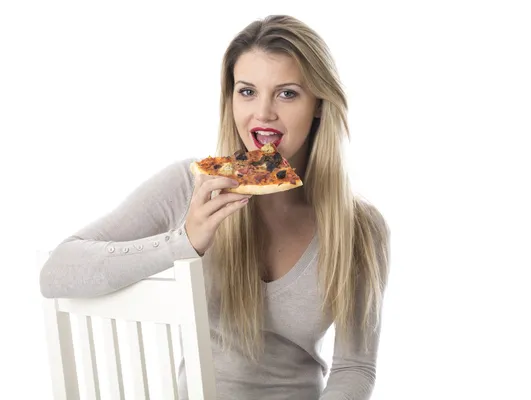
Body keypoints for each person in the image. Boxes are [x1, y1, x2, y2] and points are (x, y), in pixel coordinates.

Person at [40, 14, 391, 400]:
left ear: (320, 104)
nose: (263, 113)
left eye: (287, 93)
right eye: (247, 91)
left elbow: (354, 368)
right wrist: (183, 242)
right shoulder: (189, 187)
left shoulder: (359, 227)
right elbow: (58, 272)